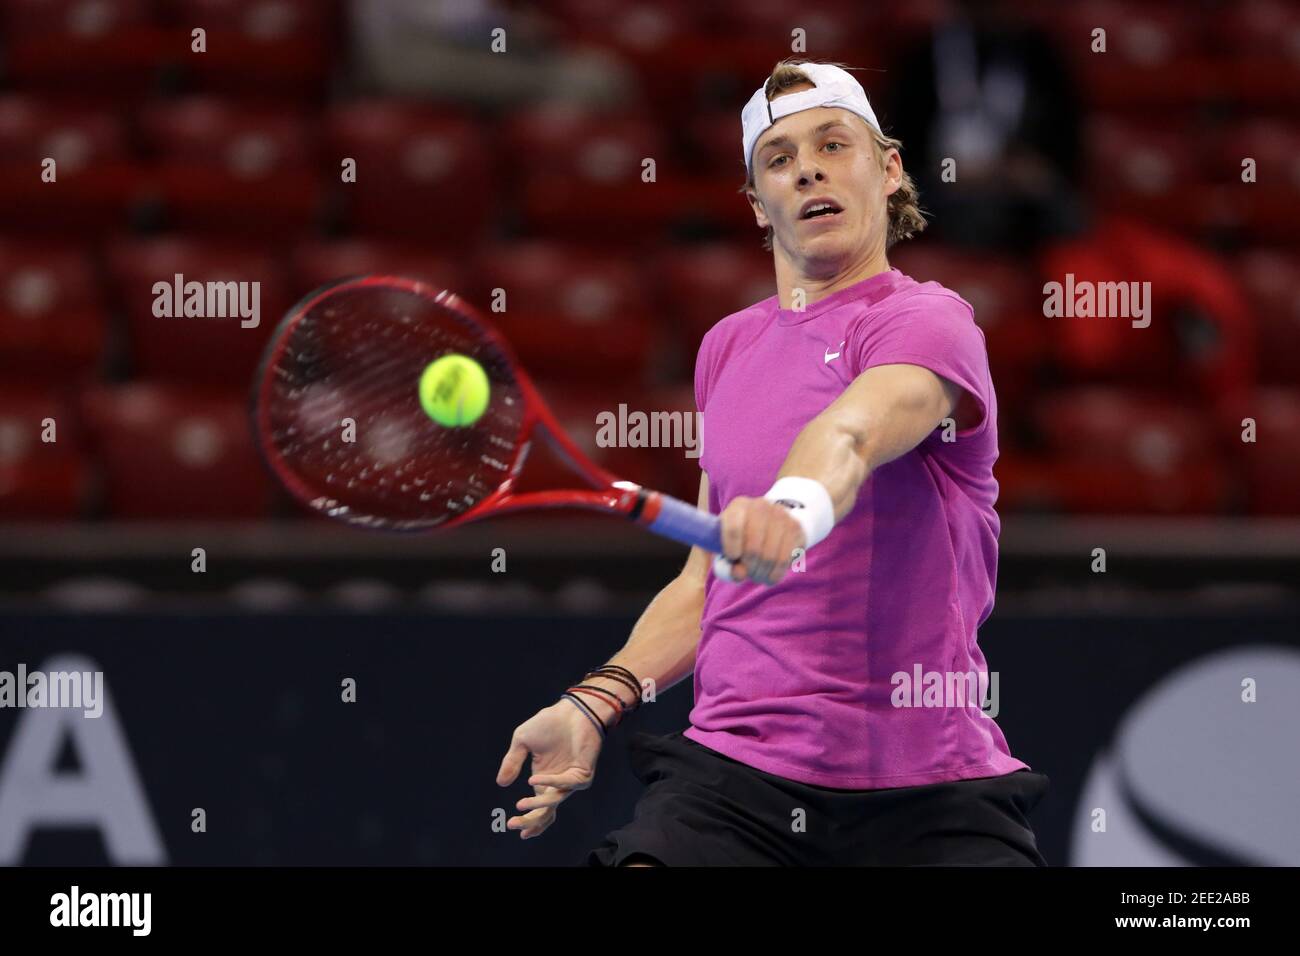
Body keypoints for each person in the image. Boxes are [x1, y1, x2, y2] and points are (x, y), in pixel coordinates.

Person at [496, 58, 1049, 866]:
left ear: (889, 170)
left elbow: (852, 435)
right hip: (735, 785)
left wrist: (790, 512)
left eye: (834, 145)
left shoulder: (930, 322)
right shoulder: (728, 347)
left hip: (929, 793)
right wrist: (593, 701)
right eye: (780, 159)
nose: (810, 169)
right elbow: (703, 582)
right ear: (759, 205)